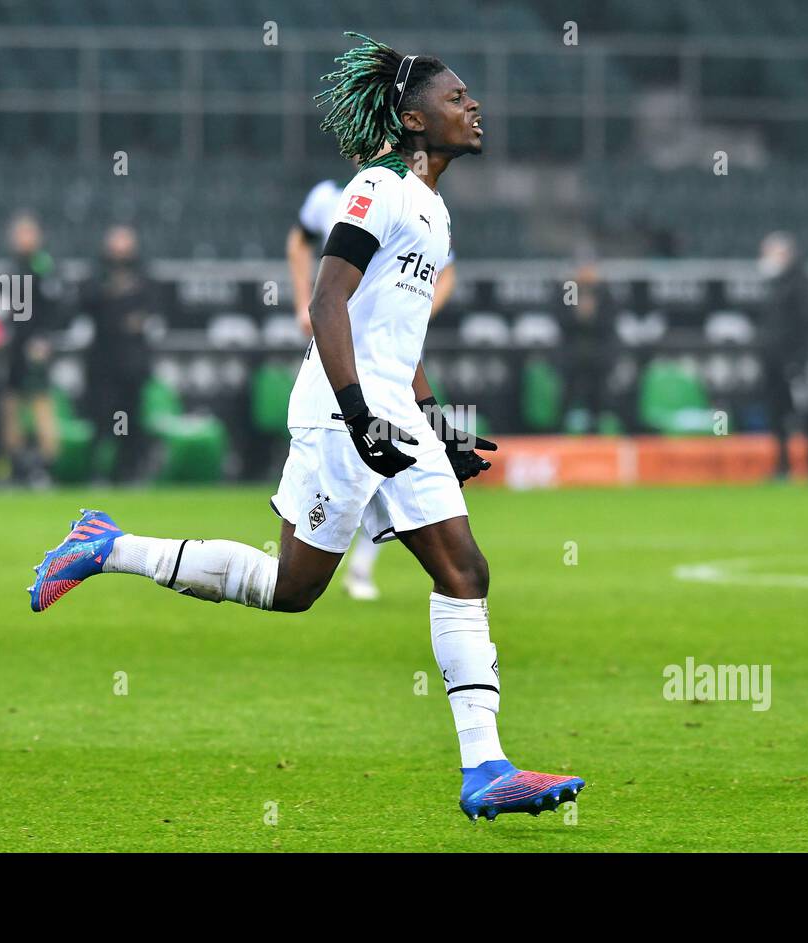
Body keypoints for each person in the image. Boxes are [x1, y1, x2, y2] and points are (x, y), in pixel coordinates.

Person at [29, 33, 584, 821]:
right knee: (292, 589)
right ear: (415, 119)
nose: (473, 106)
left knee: (464, 571)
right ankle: (105, 546)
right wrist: (359, 416)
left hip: (388, 405)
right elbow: (328, 303)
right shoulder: (378, 189)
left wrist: (437, 424)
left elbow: (397, 334)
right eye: (457, 98)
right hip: (340, 407)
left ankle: (485, 767)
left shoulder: (435, 211)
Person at [287, 154, 456, 600]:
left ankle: (361, 568)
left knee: (464, 572)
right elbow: (304, 253)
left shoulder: (428, 205)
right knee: (291, 586)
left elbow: (446, 275)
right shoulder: (353, 191)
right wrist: (302, 298)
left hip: (387, 377)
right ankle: (117, 549)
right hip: (342, 377)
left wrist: (409, 320)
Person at [79, 225, 157, 483]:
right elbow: (86, 303)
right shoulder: (96, 275)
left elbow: (150, 310)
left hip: (132, 364)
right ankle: (97, 472)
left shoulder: (144, 274)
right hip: (103, 364)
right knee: (100, 420)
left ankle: (129, 471)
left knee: (131, 421)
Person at [0, 213, 63, 485]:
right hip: (14, 347)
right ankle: (15, 466)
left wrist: (44, 339)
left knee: (41, 405)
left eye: (28, 233)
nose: (23, 239)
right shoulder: (13, 267)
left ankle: (46, 468)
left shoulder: (43, 266)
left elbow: (55, 307)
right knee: (11, 405)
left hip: (35, 346)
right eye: (19, 233)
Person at [757, 231, 808, 479]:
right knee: (777, 415)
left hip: (794, 362)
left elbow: (804, 325)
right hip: (774, 363)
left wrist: (796, 360)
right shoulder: (772, 286)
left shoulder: (799, 284)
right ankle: (783, 467)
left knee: (805, 413)